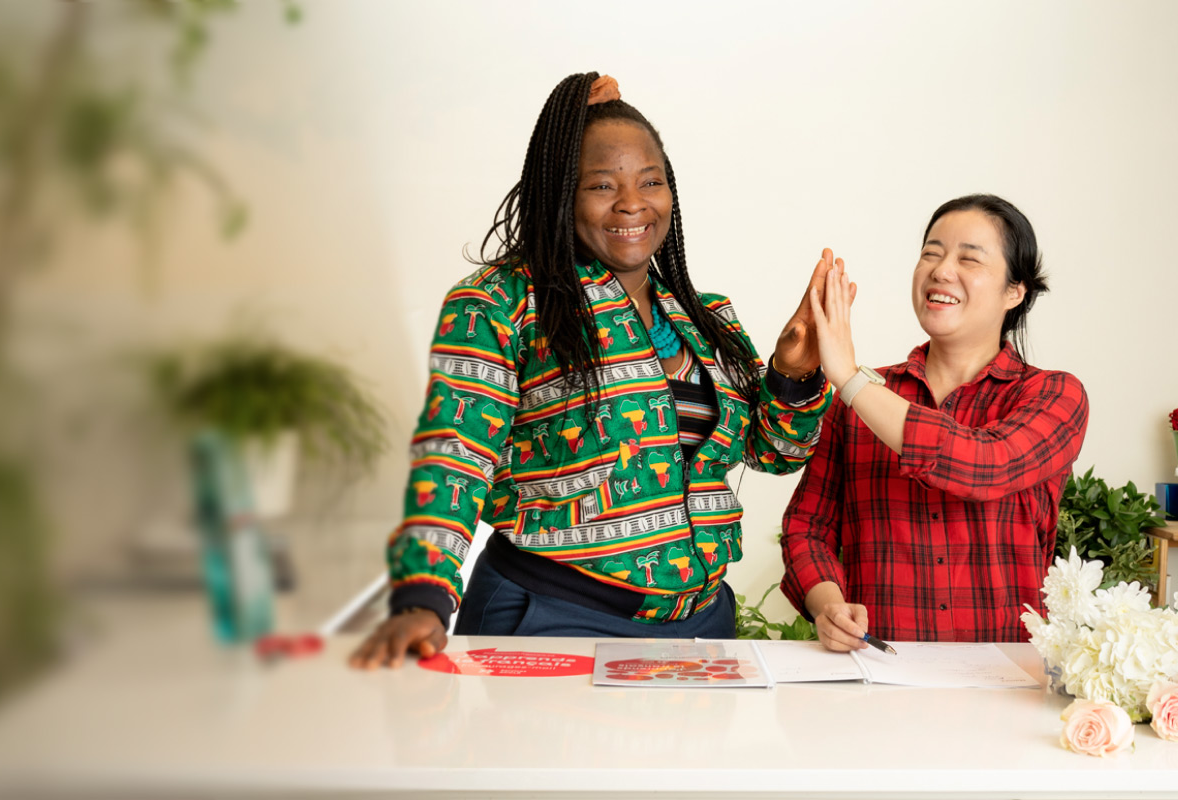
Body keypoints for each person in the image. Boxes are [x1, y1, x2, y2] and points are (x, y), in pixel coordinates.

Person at [349, 72, 836, 669]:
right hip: (552, 618)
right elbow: (455, 451)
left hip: (702, 626)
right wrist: (422, 597)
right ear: (560, 193)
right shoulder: (503, 302)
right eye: (602, 185)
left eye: (650, 182)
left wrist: (793, 374)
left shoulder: (707, 318)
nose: (632, 203)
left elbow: (776, 454)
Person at [780, 194, 1088, 650]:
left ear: (1014, 291)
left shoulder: (1054, 395)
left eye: (969, 258)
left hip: (1008, 683)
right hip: (881, 673)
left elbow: (986, 464)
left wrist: (848, 377)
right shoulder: (857, 403)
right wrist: (828, 603)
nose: (942, 270)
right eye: (931, 253)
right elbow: (807, 528)